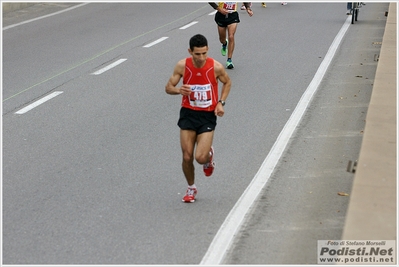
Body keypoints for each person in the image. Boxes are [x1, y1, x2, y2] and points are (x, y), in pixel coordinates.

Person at [165, 34, 232, 203]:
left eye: (204, 53)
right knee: (187, 156)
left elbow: (227, 82)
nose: (201, 58)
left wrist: (221, 102)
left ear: (208, 50)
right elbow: (168, 87)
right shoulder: (182, 66)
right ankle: (191, 188)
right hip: (188, 113)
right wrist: (179, 90)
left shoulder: (216, 67)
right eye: (197, 54)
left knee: (200, 158)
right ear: (190, 52)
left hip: (207, 116)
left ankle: (208, 156)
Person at [209, 2, 253, 69]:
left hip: (233, 16)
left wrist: (248, 8)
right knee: (222, 39)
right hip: (221, 16)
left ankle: (229, 60)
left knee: (231, 36)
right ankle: (224, 43)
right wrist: (219, 9)